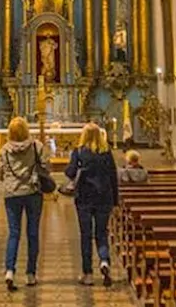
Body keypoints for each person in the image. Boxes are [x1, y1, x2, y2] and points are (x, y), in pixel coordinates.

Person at [0, 116, 49, 291]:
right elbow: (46, 167)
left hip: (12, 194)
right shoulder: (36, 146)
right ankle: (30, 274)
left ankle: (10, 271)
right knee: (33, 233)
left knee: (14, 233)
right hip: (33, 192)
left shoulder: (4, 149)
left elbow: (0, 172)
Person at [65, 122, 119, 286]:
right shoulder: (106, 152)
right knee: (102, 233)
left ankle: (87, 273)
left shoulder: (79, 152)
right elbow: (113, 177)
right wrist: (115, 201)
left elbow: (70, 172)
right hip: (104, 197)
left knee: (86, 235)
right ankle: (104, 261)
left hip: (84, 199)